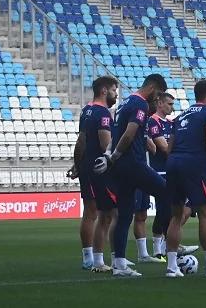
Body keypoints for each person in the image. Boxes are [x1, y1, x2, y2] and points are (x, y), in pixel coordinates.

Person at [94, 73, 171, 277]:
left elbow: (117, 134)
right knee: (167, 192)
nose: (156, 100)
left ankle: (119, 263)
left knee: (125, 213)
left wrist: (110, 156)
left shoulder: (124, 103)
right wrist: (114, 156)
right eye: (157, 96)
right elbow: (128, 134)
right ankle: (171, 246)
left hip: (121, 166)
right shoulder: (140, 104)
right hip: (133, 163)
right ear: (153, 88)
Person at [162, 79, 206, 278]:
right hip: (194, 164)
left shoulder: (180, 116)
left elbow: (169, 148)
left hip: (174, 163)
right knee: (204, 214)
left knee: (176, 216)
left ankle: (171, 267)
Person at [70, 75, 118, 273]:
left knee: (89, 213)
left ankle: (89, 258)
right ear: (104, 91)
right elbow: (105, 144)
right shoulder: (103, 113)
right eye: (114, 90)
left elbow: (81, 140)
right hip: (99, 168)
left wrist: (76, 164)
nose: (116, 94)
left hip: (85, 166)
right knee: (107, 214)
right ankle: (100, 259)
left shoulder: (86, 111)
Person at [133, 92, 170, 263]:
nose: (171, 107)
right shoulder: (147, 121)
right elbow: (156, 148)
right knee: (126, 214)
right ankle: (148, 251)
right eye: (168, 103)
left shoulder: (167, 122)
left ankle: (148, 253)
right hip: (144, 171)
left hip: (146, 171)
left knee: (143, 214)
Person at [146, 91, 175, 259]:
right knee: (163, 209)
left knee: (171, 209)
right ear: (160, 104)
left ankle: (165, 245)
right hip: (158, 171)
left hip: (170, 170)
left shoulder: (171, 123)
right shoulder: (152, 121)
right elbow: (163, 148)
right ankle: (159, 247)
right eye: (169, 104)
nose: (172, 107)